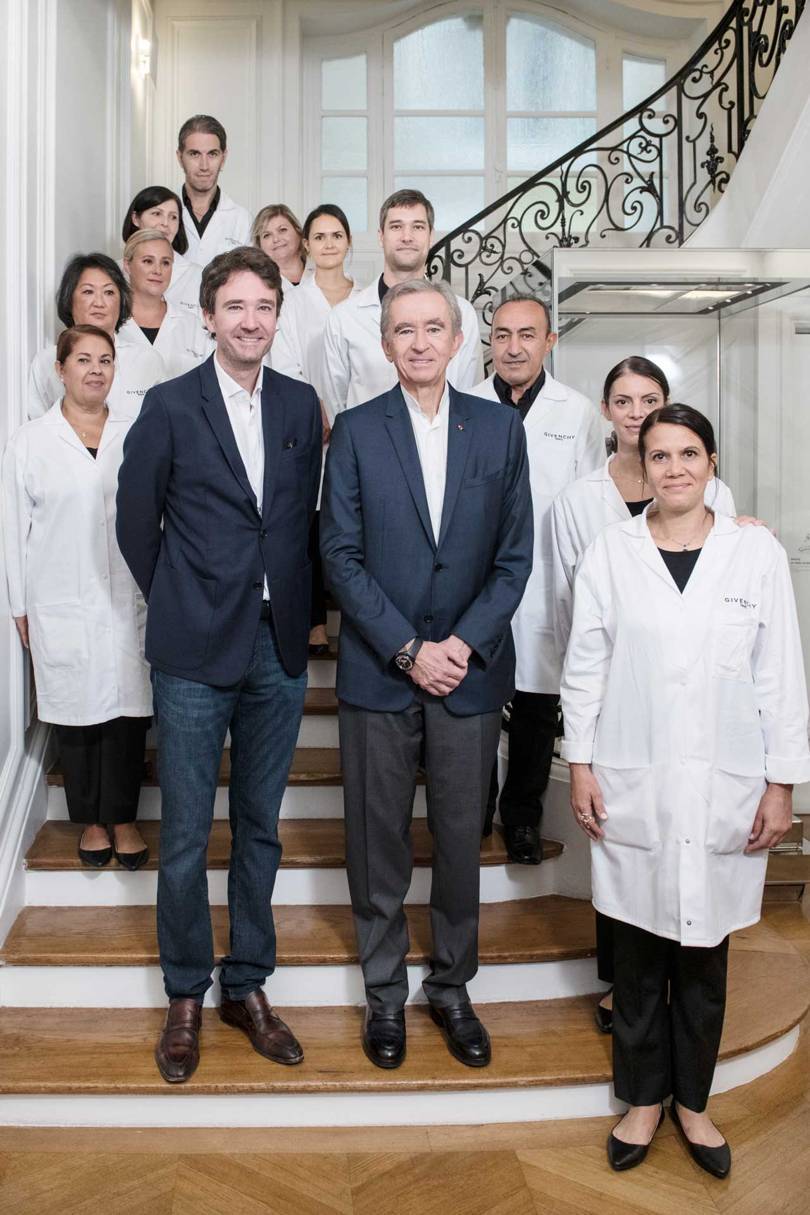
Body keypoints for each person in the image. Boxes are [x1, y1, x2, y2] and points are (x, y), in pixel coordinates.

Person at [561, 403, 810, 1178]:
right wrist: (580, 763)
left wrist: (780, 784)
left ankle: (693, 1103)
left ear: (711, 463)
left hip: (725, 787)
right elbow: (585, 665)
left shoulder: (754, 555)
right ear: (643, 464)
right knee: (636, 953)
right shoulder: (612, 550)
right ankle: (641, 1100)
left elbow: (781, 675)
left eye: (688, 453)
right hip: (634, 780)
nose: (674, 468)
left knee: (705, 956)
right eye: (659, 455)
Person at [116, 246, 321, 1085]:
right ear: (208, 316)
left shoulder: (304, 405)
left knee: (262, 830)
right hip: (194, 650)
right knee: (186, 838)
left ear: (278, 316)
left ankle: (248, 985)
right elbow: (135, 523)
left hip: (278, 650)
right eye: (234, 306)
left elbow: (303, 522)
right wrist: (181, 596)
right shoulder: (166, 405)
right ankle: (186, 994)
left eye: (263, 306)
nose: (249, 320)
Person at [320, 279, 532, 1072]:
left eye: (432, 328)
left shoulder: (500, 430)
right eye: (403, 329)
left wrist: (462, 646)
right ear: (384, 344)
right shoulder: (358, 431)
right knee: (376, 844)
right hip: (381, 674)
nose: (418, 342)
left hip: (470, 678)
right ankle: (384, 993)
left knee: (455, 840)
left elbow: (515, 560)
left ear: (456, 340)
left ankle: (449, 986)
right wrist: (409, 648)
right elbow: (338, 554)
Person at [551, 356, 737, 1034]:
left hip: (700, 726)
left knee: (687, 868)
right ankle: (624, 992)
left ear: (707, 461)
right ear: (608, 413)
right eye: (624, 402)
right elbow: (577, 617)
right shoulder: (588, 509)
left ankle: (682, 1035)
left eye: (649, 401)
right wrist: (582, 734)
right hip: (621, 710)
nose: (635, 414)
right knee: (626, 866)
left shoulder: (724, 514)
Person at [4, 326, 152, 869]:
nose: (95, 369)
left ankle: (124, 816)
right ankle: (89, 819)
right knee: (75, 710)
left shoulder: (136, 433)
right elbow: (13, 528)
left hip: (128, 594)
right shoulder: (30, 441)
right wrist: (20, 605)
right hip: (58, 594)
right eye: (83, 359)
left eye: (106, 359)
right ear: (60, 369)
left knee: (129, 712)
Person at [471, 295, 604, 864]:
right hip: (477, 585)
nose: (514, 346)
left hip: (548, 585)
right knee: (473, 705)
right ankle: (471, 813)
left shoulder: (576, 412)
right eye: (502, 335)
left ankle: (521, 818)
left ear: (549, 342)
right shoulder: (466, 404)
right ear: (490, 343)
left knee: (534, 708)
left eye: (527, 335)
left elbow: (592, 503)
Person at [271, 203, 364, 654]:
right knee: (306, 526)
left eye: (336, 235)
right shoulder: (288, 302)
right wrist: (315, 407)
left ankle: (358, 621)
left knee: (354, 525)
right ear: (305, 244)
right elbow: (283, 359)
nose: (328, 244)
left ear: (348, 243)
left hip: (359, 425)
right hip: (308, 425)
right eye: (319, 236)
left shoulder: (366, 299)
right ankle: (312, 622)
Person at [321, 189, 483, 417]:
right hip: (370, 449)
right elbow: (335, 406)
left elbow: (470, 397)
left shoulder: (462, 314)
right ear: (381, 236)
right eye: (396, 226)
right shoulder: (344, 318)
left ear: (430, 236)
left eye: (417, 226)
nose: (407, 237)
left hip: (445, 448)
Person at [28, 253, 163, 420]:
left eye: (109, 292)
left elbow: (162, 427)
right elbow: (36, 428)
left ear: (121, 301)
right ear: (69, 299)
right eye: (88, 291)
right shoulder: (46, 361)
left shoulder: (147, 360)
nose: (99, 303)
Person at [119, 229, 212, 377]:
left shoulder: (192, 325)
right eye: (148, 261)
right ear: (127, 265)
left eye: (166, 263)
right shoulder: (112, 322)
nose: (158, 270)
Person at [177, 114, 251, 267]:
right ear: (180, 158)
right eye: (194, 154)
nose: (204, 166)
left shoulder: (242, 220)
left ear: (223, 158)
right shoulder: (161, 215)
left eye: (212, 154)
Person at [122, 185, 202, 318]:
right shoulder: (113, 271)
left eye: (173, 217)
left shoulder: (198, 275)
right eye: (157, 214)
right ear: (135, 218)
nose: (165, 223)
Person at [251, 204, 308, 292]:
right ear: (259, 245)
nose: (276, 239)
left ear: (298, 232)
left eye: (282, 230)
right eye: (267, 235)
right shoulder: (255, 283)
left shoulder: (321, 269)